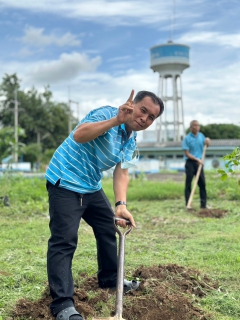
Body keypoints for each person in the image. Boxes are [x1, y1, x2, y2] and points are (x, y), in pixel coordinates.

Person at [45, 90, 164, 320]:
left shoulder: (131, 139)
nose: (145, 119)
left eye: (151, 117)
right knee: (64, 239)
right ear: (133, 104)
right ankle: (62, 305)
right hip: (65, 180)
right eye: (143, 110)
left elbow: (122, 171)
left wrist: (121, 204)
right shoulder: (107, 114)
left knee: (108, 229)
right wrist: (115, 121)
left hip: (90, 185)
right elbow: (79, 135)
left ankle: (111, 280)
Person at [182, 120, 210, 209]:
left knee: (202, 184)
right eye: (194, 125)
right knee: (188, 183)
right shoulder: (187, 138)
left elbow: (206, 145)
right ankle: (188, 204)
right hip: (190, 163)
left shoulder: (201, 136)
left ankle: (203, 204)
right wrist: (197, 159)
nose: (197, 127)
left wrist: (208, 142)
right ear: (191, 127)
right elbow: (187, 153)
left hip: (200, 164)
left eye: (198, 125)